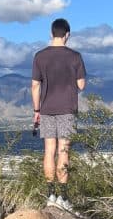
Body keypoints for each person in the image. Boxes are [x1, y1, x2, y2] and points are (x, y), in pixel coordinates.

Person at [31, 18, 86, 206]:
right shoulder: (75, 56)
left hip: (46, 109)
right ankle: (63, 197)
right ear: (67, 35)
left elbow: (35, 85)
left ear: (51, 33)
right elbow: (81, 85)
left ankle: (50, 195)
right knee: (64, 151)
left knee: (49, 151)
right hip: (67, 109)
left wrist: (37, 110)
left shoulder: (40, 56)